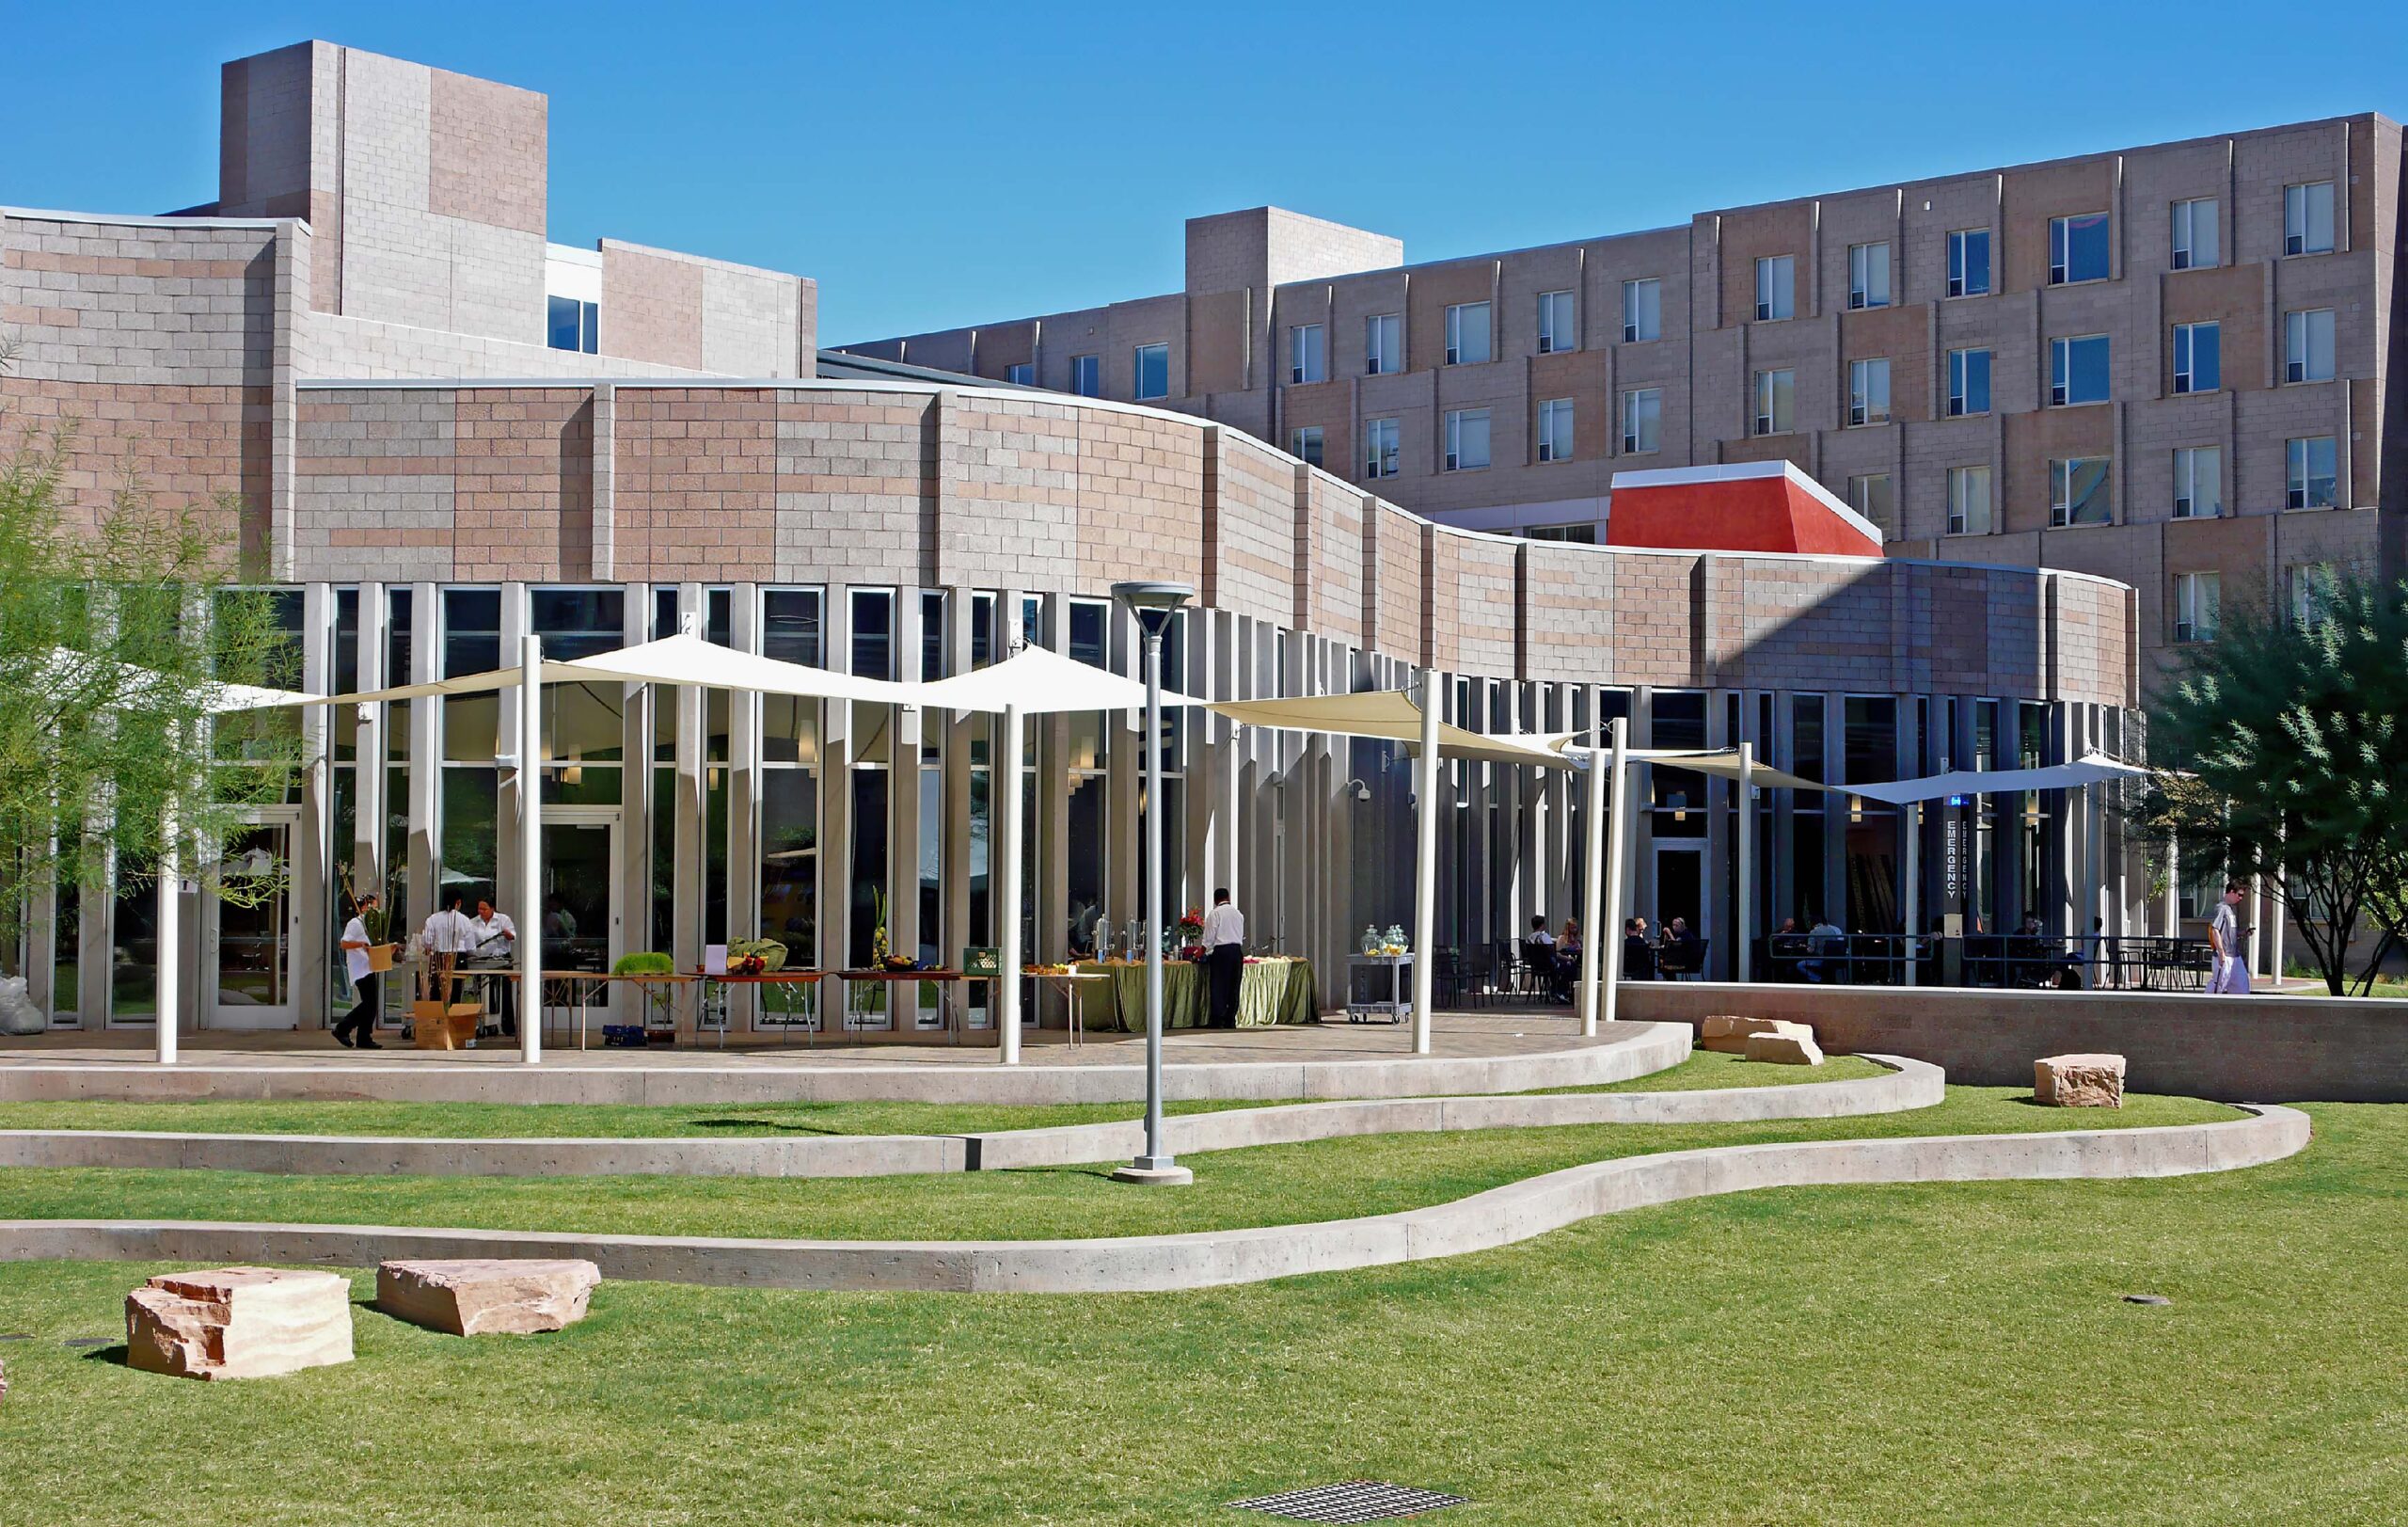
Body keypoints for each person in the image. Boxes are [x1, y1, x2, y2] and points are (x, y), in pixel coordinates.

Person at [333, 893, 384, 1049]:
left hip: (368, 966)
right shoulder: (355, 923)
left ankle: (364, 1037)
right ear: (365, 906)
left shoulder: (369, 925)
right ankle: (343, 1028)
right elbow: (344, 943)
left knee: (371, 1005)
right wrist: (360, 944)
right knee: (369, 1004)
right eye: (373, 906)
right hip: (360, 968)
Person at [471, 897, 519, 1037]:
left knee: (505, 990)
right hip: (482, 958)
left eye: (484, 909)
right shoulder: (473, 922)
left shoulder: (503, 919)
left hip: (501, 958)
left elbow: (512, 937)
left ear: (492, 909)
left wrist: (507, 934)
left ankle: (508, 1025)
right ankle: (485, 1022)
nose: (481, 912)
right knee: (483, 990)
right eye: (479, 909)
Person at [420, 890, 477, 1004]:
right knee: (456, 991)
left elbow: (427, 942)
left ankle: (437, 1019)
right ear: (458, 902)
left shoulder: (433, 919)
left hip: (439, 957)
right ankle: (453, 1018)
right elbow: (471, 947)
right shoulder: (464, 920)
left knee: (436, 990)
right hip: (458, 958)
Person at [1200, 888, 1246, 1026]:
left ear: (1215, 900)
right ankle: (1230, 1019)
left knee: (1219, 986)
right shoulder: (1238, 914)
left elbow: (1209, 938)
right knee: (1234, 985)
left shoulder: (1215, 914)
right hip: (1236, 951)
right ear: (1228, 898)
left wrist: (1200, 952)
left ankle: (1217, 1019)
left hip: (1221, 952)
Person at [2209, 881, 2251, 994]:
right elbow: (2215, 930)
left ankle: (2240, 1010)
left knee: (2242, 987)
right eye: (2239, 895)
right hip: (2225, 956)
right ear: (2232, 892)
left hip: (2235, 956)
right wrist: (2221, 952)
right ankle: (2205, 1007)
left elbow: (2229, 933)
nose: (2241, 898)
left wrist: (2243, 933)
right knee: (2218, 986)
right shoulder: (2221, 908)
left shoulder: (2230, 909)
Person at [1622, 916, 1657, 981]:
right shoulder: (1643, 943)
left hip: (1627, 968)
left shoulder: (1625, 943)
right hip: (1641, 970)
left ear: (1628, 929)